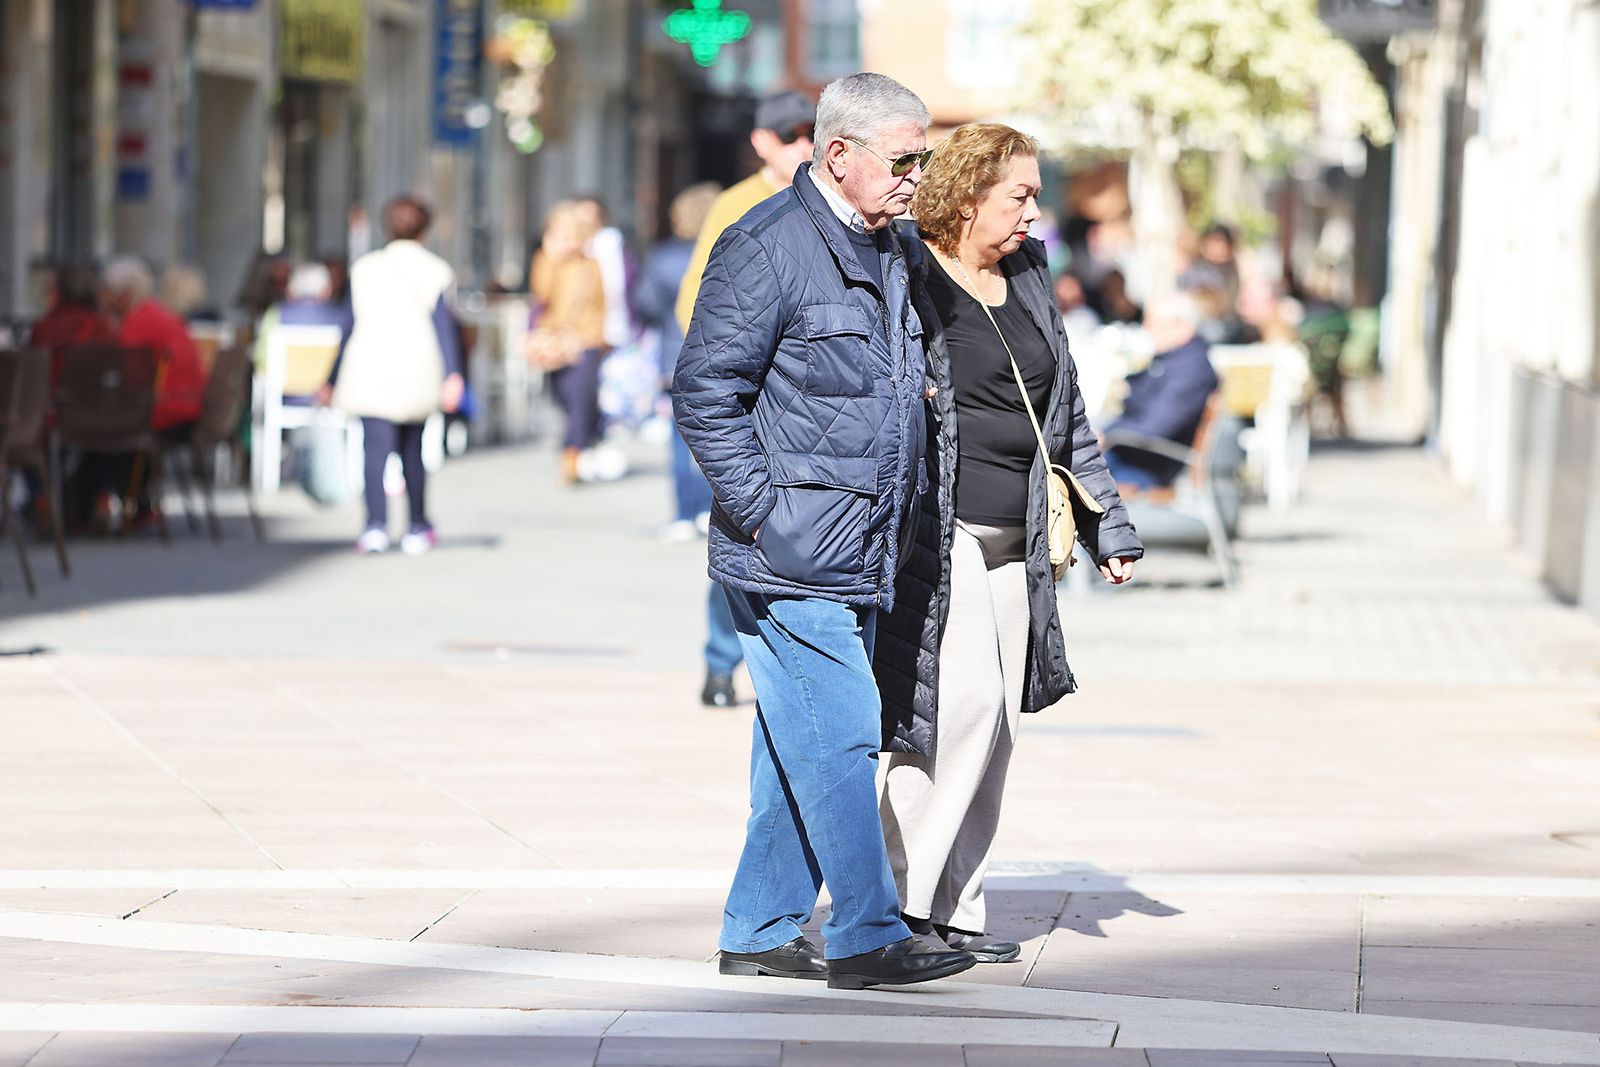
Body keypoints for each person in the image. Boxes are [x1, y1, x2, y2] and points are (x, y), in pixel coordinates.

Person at [674, 72, 975, 990]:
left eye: (923, 158)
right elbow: (705, 392)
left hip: (867, 544)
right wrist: (767, 513)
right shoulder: (763, 245)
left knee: (797, 744)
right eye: (904, 159)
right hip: (791, 552)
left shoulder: (895, 246)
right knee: (842, 735)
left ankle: (759, 929)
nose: (916, 176)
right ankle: (867, 933)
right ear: (837, 154)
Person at [873, 123, 1143, 964]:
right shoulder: (907, 267)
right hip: (939, 524)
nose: (1034, 211)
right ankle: (901, 903)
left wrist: (1107, 523)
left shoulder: (1028, 271)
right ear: (966, 196)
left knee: (997, 729)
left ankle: (956, 906)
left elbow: (1066, 411)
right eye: (1019, 195)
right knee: (959, 708)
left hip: (1021, 533)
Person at [672, 89, 816, 710]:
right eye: (792, 136)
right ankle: (720, 660)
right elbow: (695, 303)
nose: (804, 145)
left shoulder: (833, 203)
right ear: (762, 143)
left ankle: (789, 668)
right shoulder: (735, 206)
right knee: (742, 534)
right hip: (753, 406)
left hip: (815, 410)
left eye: (812, 133)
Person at [321, 195, 464, 555]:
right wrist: (453, 374)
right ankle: (417, 525)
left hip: (370, 365)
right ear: (425, 230)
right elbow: (444, 328)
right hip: (417, 367)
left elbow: (347, 326)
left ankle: (375, 526)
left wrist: (330, 378)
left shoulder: (366, 268)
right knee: (412, 451)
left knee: (374, 451)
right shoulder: (435, 270)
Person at [636, 181, 721, 540]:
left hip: (675, 356)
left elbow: (647, 304)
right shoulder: (727, 251)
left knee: (678, 439)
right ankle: (708, 510)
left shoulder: (663, 258)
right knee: (718, 438)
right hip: (717, 356)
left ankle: (684, 513)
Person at [1101, 290, 1221, 489]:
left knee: (1072, 470)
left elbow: (1155, 427)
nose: (1146, 329)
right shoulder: (1173, 361)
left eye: (1154, 324)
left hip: (1147, 465)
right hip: (1132, 453)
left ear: (1184, 328)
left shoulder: (1190, 370)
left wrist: (1105, 435)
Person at [526, 200, 607, 485]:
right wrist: (550, 258)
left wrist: (593, 339)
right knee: (561, 396)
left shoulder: (591, 266)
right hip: (554, 342)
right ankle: (581, 441)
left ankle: (573, 453)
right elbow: (541, 296)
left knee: (579, 398)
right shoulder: (545, 262)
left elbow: (599, 306)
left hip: (585, 341)